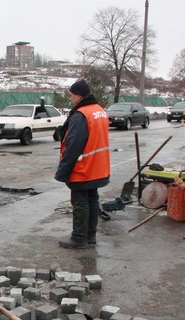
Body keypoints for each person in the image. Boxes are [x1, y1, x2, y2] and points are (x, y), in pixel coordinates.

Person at [55, 79, 110, 249]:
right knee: (92, 201)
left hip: (83, 167)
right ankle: (90, 236)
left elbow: (73, 145)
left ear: (79, 96)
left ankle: (79, 238)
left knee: (80, 204)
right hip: (98, 167)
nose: (70, 99)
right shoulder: (99, 111)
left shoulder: (81, 114)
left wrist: (63, 172)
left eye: (71, 96)